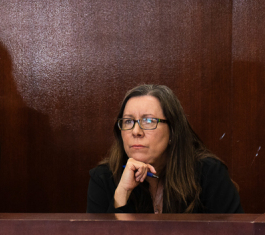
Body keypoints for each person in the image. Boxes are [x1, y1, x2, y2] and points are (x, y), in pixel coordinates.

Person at [87, 84, 242, 213]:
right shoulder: (104, 177)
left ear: (173, 131)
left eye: (148, 121)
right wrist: (122, 194)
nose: (136, 131)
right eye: (128, 121)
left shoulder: (209, 173)